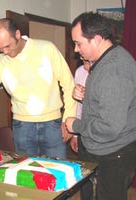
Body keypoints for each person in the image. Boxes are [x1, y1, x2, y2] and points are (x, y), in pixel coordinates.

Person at [0, 18, 77, 159]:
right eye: (0, 48)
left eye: (7, 46)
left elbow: (68, 82)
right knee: (26, 173)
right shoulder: (1, 63)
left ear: (17, 34)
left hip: (52, 124)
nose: (4, 51)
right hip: (22, 127)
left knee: (58, 170)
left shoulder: (46, 49)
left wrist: (68, 118)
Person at [65, 12, 136, 200]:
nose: (75, 49)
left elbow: (110, 127)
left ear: (96, 39)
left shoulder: (114, 70)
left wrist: (76, 125)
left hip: (113, 155)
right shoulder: (105, 60)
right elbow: (109, 101)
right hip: (101, 150)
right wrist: (87, 96)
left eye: (78, 43)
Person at [70, 58, 91, 152]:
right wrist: (75, 135)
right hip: (83, 130)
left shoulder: (108, 73)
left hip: (101, 132)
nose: (82, 56)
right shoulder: (80, 71)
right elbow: (78, 107)